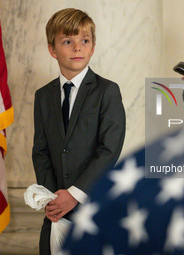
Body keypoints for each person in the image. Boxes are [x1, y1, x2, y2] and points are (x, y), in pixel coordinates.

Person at [32, 8, 126, 254]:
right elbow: (40, 150)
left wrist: (74, 194)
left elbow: (109, 150)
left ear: (93, 47)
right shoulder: (43, 96)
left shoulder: (107, 91)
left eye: (84, 41)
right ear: (52, 50)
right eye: (67, 41)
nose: (77, 48)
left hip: (92, 206)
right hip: (55, 212)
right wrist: (52, 197)